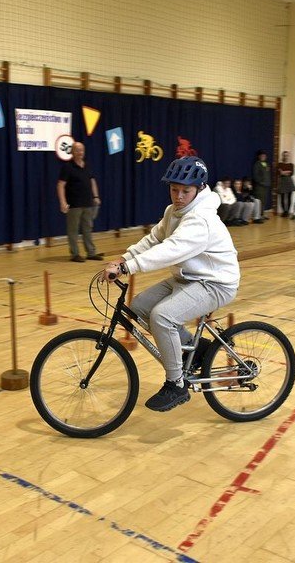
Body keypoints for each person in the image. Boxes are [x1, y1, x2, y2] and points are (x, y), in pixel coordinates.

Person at [103, 157, 240, 412]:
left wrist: (128, 268)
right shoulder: (173, 211)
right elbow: (154, 239)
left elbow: (170, 250)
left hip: (215, 283)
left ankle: (176, 384)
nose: (178, 196)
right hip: (187, 277)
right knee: (139, 307)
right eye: (174, 189)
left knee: (162, 317)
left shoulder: (201, 219)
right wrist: (124, 258)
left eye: (185, 191)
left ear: (199, 188)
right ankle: (196, 350)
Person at [57, 141, 103, 262]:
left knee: (88, 228)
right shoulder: (67, 167)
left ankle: (91, 253)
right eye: (77, 150)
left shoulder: (86, 165)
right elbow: (60, 185)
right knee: (73, 230)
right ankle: (75, 254)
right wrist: (63, 202)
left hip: (88, 203)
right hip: (74, 204)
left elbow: (92, 181)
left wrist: (96, 196)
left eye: (81, 150)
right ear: (72, 152)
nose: (80, 152)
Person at [251, 150, 271, 216]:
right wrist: (261, 182)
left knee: (264, 200)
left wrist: (268, 182)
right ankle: (258, 215)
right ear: (259, 156)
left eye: (264, 156)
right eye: (262, 156)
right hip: (260, 186)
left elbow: (268, 174)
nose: (263, 157)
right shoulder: (257, 164)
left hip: (266, 185)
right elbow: (255, 175)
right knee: (259, 200)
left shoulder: (267, 164)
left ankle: (262, 214)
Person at [276, 152, 295, 217]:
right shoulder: (279, 164)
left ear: (288, 156)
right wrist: (287, 172)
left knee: (289, 198)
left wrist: (283, 172)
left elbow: (291, 173)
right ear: (282, 156)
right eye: (284, 155)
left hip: (289, 182)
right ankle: (284, 211)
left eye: (287, 155)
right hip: (282, 182)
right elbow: (278, 173)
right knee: (282, 198)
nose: (285, 157)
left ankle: (288, 211)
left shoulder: (291, 165)